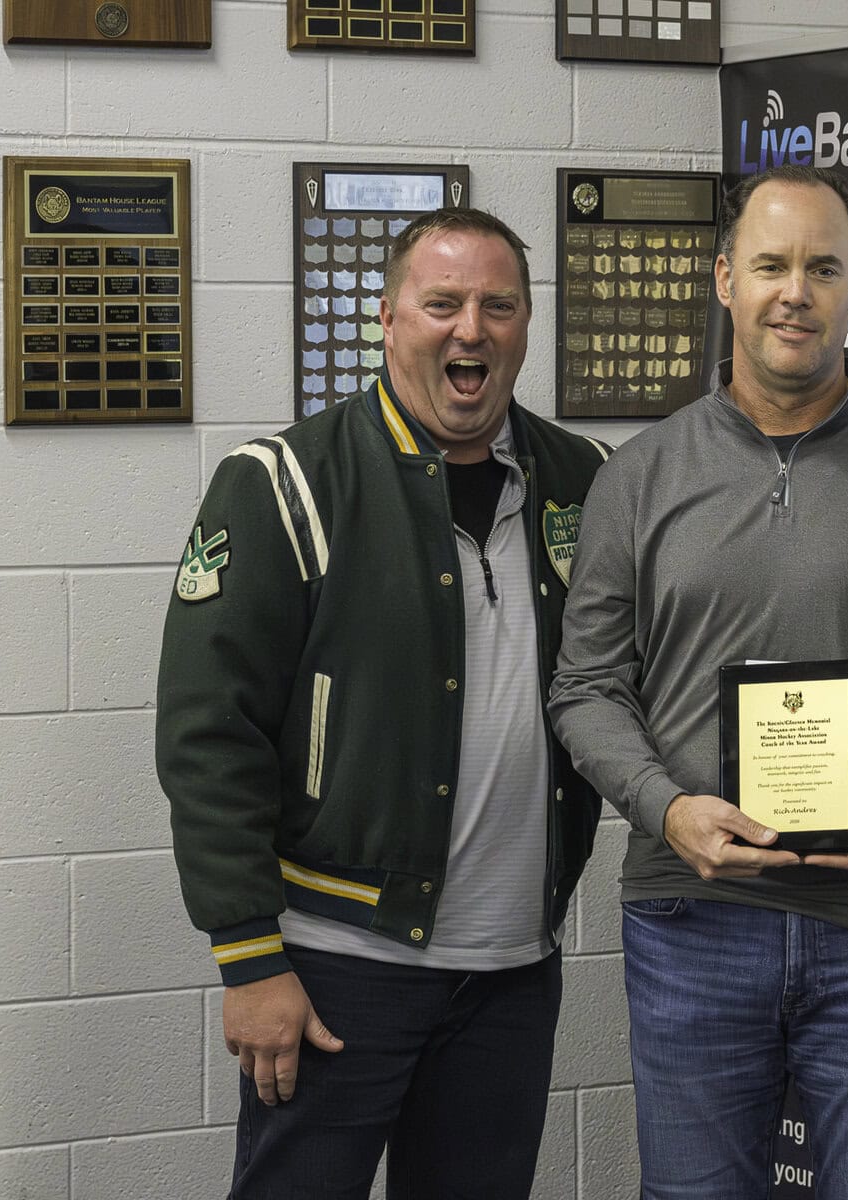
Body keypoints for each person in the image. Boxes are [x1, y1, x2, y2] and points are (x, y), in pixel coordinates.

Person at [156, 207, 610, 1198]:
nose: (471, 329)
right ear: (388, 318)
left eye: (498, 305)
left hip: (512, 970)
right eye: (441, 302)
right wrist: (247, 956)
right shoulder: (284, 484)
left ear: (527, 325)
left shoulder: (585, 482)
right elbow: (207, 737)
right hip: (332, 969)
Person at [548, 164, 848, 1199]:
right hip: (692, 917)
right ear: (724, 279)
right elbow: (586, 688)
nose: (797, 290)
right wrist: (667, 809)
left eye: (823, 267)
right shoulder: (638, 476)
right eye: (772, 264)